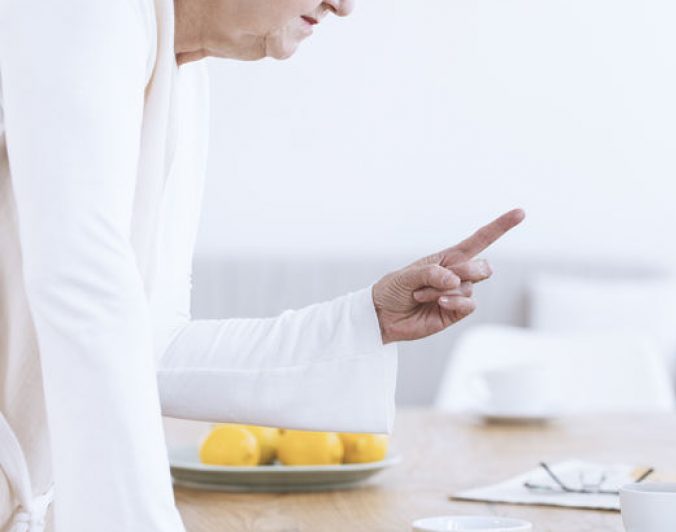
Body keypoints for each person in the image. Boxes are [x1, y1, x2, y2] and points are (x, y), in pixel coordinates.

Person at [0, 0, 524, 529]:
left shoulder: (182, 79)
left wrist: (367, 320)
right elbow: (82, 286)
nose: (343, 6)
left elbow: (149, 345)